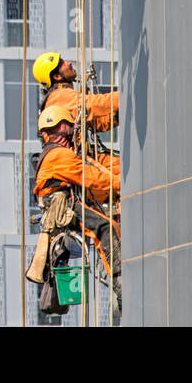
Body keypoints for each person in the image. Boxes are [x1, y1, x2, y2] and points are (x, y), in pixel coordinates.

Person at [32, 105, 121, 303]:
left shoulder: (56, 153)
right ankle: (120, 283)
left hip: (63, 205)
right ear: (58, 127)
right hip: (63, 207)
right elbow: (91, 177)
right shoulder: (58, 155)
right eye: (68, 125)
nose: (72, 129)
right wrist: (122, 184)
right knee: (105, 228)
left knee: (109, 221)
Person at [34, 51, 120, 184]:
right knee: (120, 175)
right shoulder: (60, 97)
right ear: (57, 76)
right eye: (62, 63)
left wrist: (117, 116)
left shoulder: (61, 97)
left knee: (121, 169)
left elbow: (97, 123)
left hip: (83, 158)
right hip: (77, 162)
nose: (68, 63)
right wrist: (125, 96)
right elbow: (95, 104)